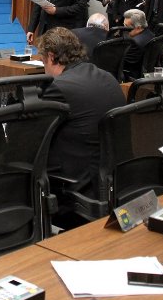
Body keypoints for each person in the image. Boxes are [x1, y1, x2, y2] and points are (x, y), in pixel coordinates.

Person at [37, 27, 125, 196]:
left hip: (81, 182)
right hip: (115, 177)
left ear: (51, 56)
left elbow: (38, 132)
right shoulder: (107, 76)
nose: (44, 68)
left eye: (43, 62)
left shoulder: (61, 87)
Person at [122, 9, 155, 80]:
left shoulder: (134, 43)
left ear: (138, 27)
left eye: (127, 27)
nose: (124, 29)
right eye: (124, 25)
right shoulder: (151, 35)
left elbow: (124, 64)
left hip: (133, 78)